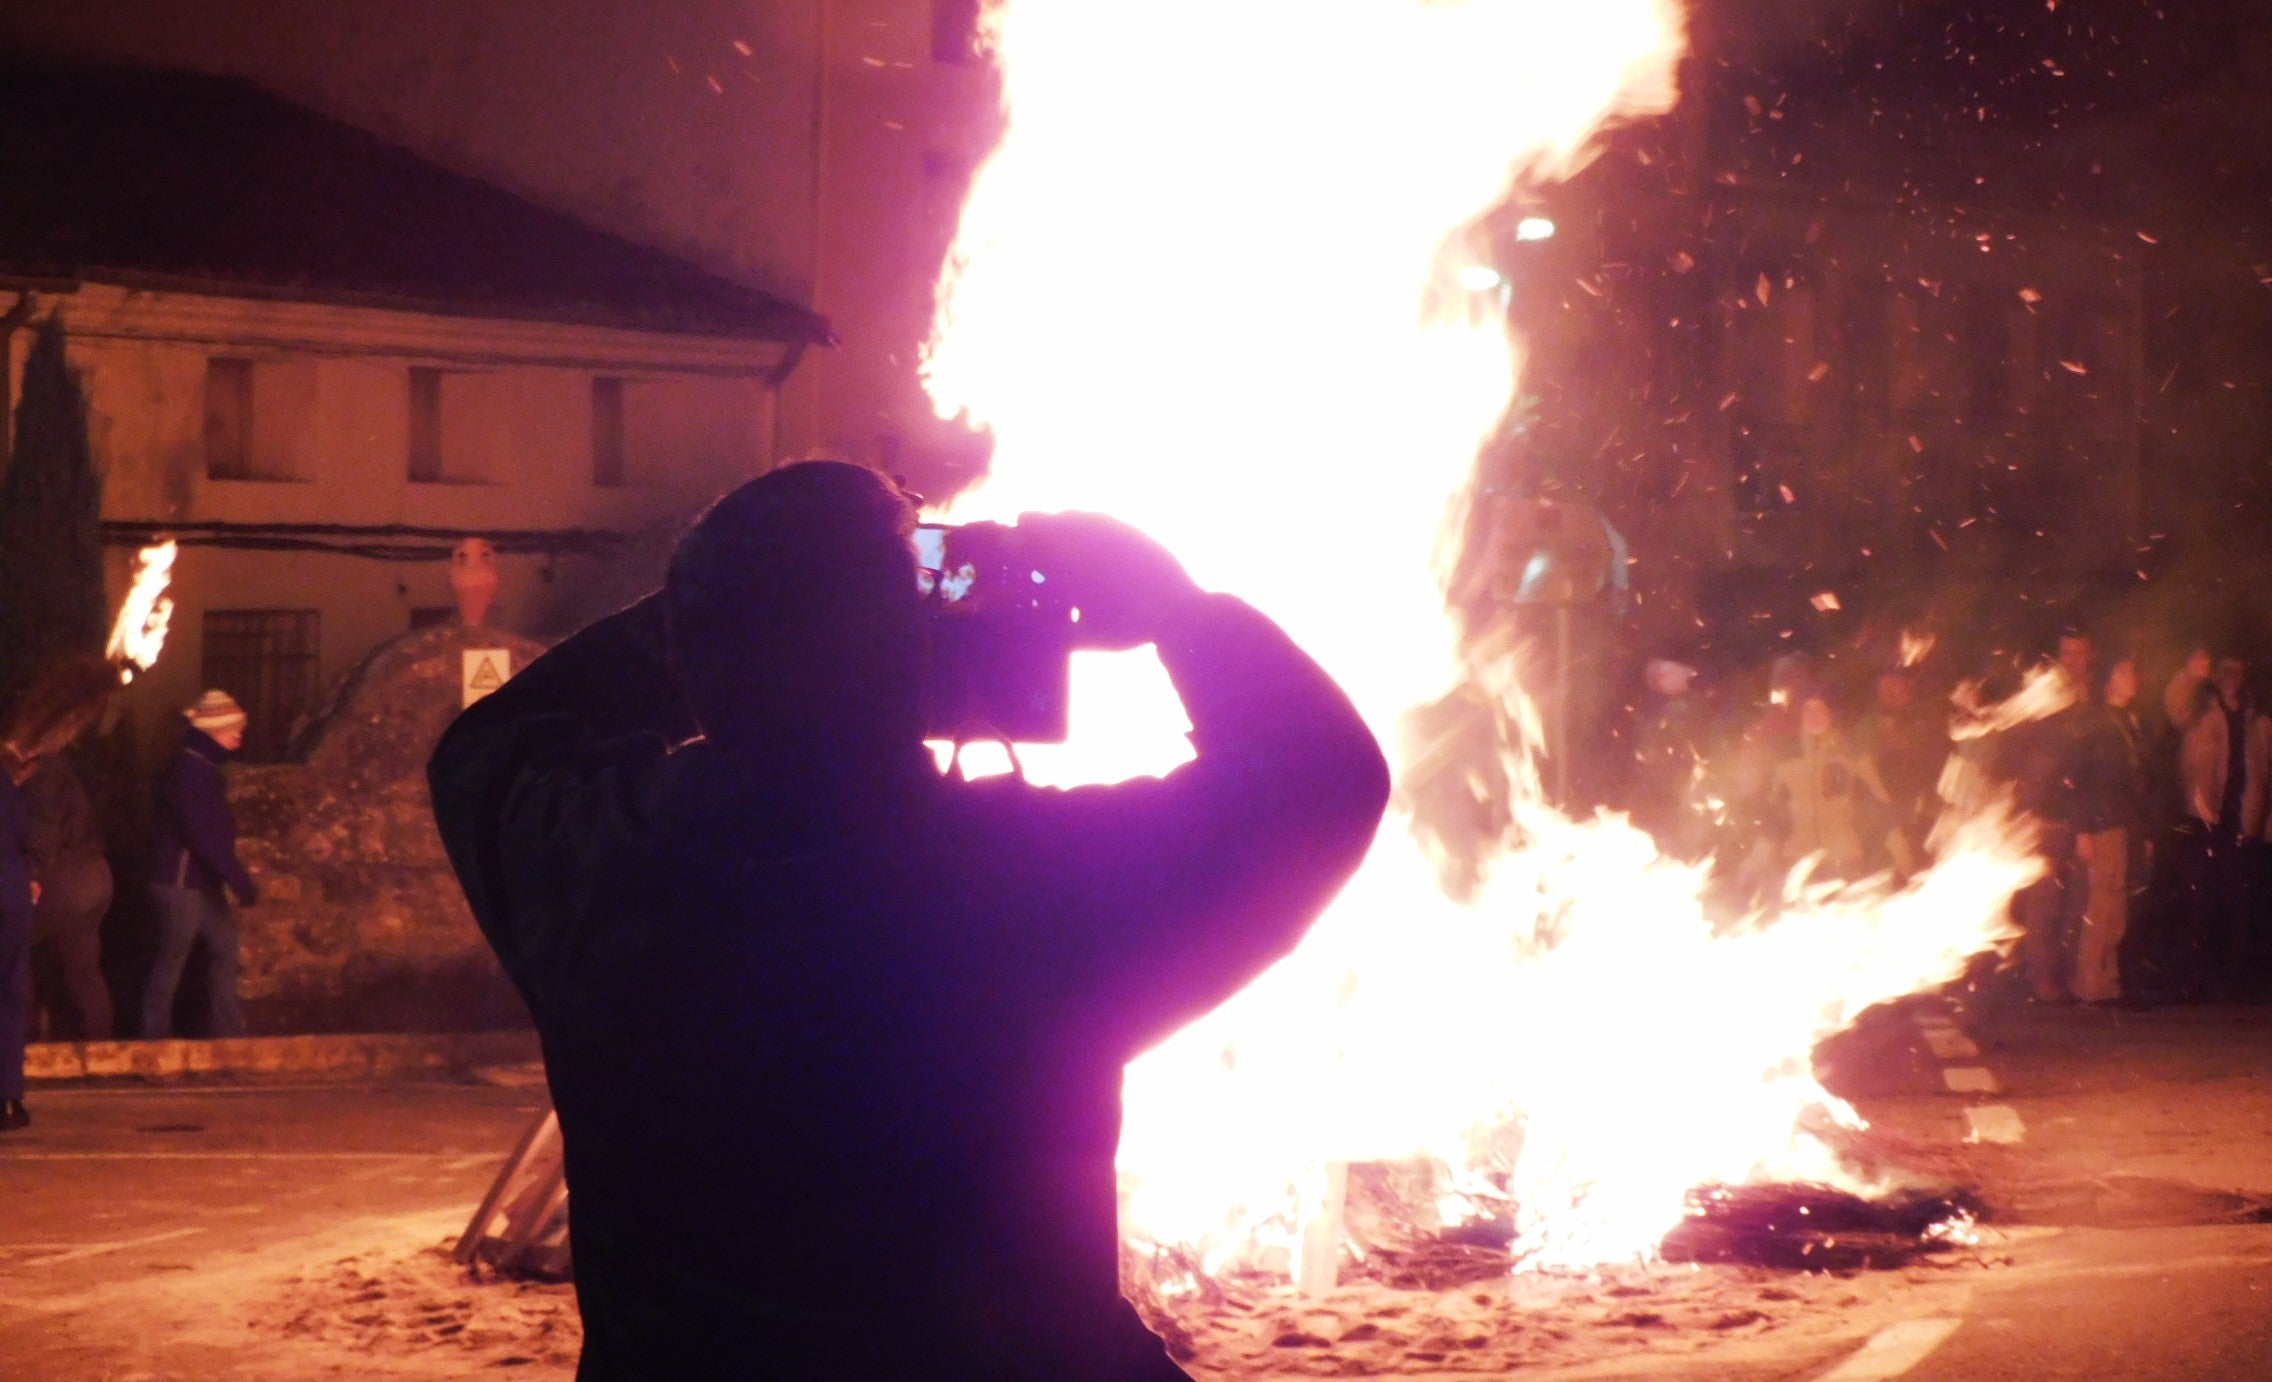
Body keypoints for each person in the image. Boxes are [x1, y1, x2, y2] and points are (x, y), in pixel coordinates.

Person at [427, 462, 1390, 1379]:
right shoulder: (1027, 884)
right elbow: (1321, 782)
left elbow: (489, 743)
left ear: (686, 651)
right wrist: (1176, 609)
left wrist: (732, 600)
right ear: (917, 660)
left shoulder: (587, 859)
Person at [144, 690, 256, 1039]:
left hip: (199, 882)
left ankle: (227, 1033)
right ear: (213, 731)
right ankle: (153, 1036)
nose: (239, 735)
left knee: (223, 948)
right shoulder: (191, 773)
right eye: (233, 728)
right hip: (180, 883)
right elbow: (203, 835)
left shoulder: (200, 769)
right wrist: (237, 879)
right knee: (173, 958)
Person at [2162, 650, 2270, 1000]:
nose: (2231, 678)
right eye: (2225, 671)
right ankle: (2194, 979)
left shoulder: (2258, 721)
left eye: (2238, 671)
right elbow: (2175, 705)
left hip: (2242, 825)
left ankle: (2234, 980)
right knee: (2199, 902)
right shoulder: (2200, 711)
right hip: (2204, 820)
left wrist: (2264, 824)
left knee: (2239, 904)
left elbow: (2266, 775)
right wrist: (2189, 676)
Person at [2068, 657, 2147, 1004]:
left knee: (2116, 905)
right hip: (2102, 823)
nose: (2134, 677)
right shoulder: (2095, 721)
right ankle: (2088, 980)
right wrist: (2083, 829)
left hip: (2124, 823)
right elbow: (2078, 778)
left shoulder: (2129, 721)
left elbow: (2137, 779)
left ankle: (2108, 978)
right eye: (2125, 671)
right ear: (2109, 680)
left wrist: (2143, 831)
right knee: (2101, 903)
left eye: (2134, 670)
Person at [24, 750, 113, 1039]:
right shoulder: (58, 765)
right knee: (79, 965)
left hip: (67, 878)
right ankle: (95, 1042)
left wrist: (31, 873)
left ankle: (23, 1036)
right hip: (88, 877)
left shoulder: (42, 770)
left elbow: (43, 826)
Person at [0, 747, 33, 1130]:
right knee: (9, 995)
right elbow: (25, 835)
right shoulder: (7, 787)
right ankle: (8, 1099)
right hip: (10, 895)